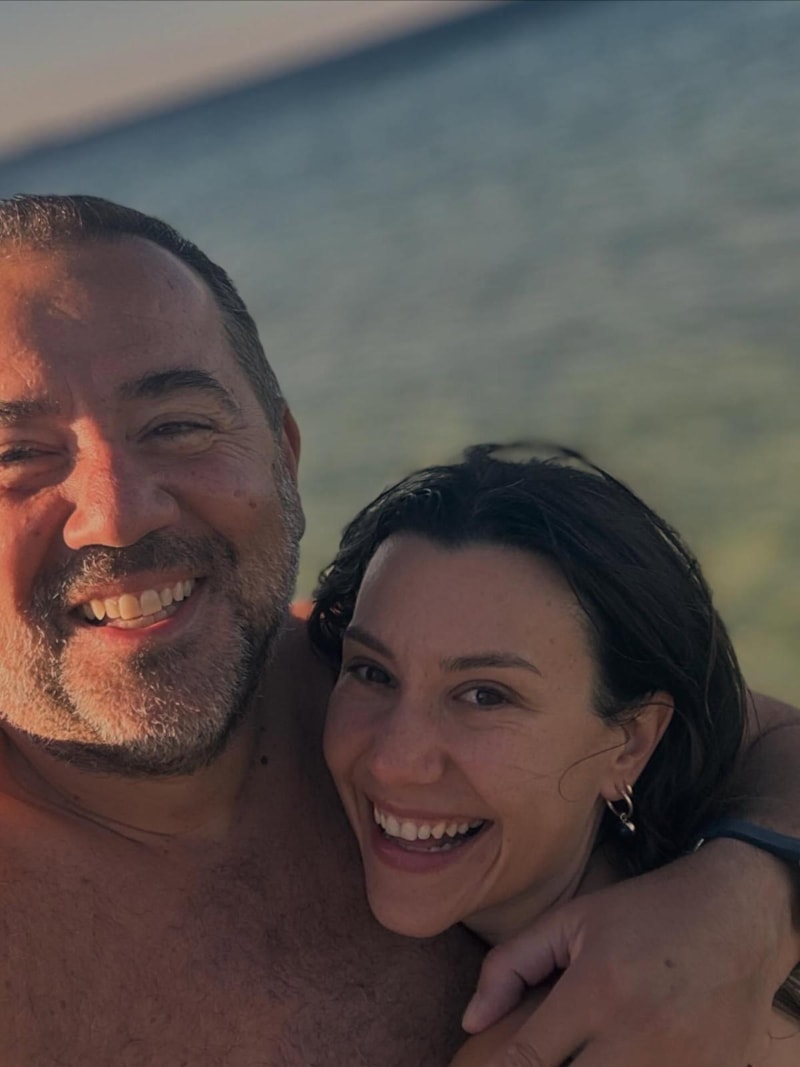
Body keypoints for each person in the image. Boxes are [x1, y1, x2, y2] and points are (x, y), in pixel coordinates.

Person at [0, 193, 796, 1067]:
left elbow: (744, 733)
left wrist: (747, 891)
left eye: (178, 425)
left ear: (283, 455)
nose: (116, 514)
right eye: (14, 456)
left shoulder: (349, 669)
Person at [309, 444, 800, 1065]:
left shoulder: (564, 1043)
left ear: (630, 743)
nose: (393, 761)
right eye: (372, 672)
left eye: (485, 695)